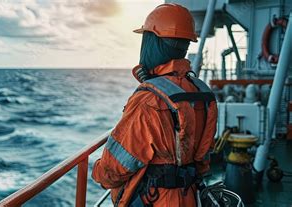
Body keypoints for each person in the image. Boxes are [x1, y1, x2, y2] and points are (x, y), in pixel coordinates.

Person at [92, 3, 218, 207]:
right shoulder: (201, 92)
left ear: (153, 42)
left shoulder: (148, 99)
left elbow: (114, 169)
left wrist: (98, 172)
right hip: (190, 196)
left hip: (155, 200)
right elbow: (203, 161)